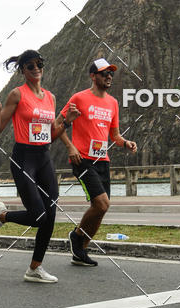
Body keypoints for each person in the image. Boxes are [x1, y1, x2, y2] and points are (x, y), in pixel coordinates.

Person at [0, 49, 78, 283]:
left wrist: (66, 121)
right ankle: (1, 216)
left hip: (43, 157)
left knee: (51, 214)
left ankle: (34, 269)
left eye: (39, 64)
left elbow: (50, 135)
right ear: (23, 70)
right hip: (23, 157)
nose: (36, 68)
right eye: (30, 66)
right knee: (38, 216)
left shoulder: (51, 97)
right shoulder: (17, 94)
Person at [57, 58, 137, 266]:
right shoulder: (79, 98)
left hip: (103, 160)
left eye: (111, 73)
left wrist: (125, 143)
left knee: (101, 208)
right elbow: (57, 125)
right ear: (93, 76)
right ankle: (76, 236)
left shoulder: (112, 103)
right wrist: (70, 147)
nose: (108, 76)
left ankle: (81, 251)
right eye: (103, 73)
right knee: (102, 203)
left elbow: (115, 136)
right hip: (82, 159)